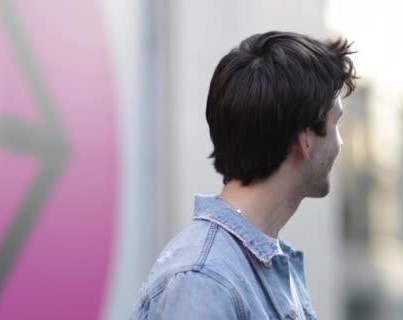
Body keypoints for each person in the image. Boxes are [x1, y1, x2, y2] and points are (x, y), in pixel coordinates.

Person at [131, 31, 357, 320]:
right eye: (336, 123)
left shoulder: (257, 265)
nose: (340, 142)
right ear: (306, 139)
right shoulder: (205, 280)